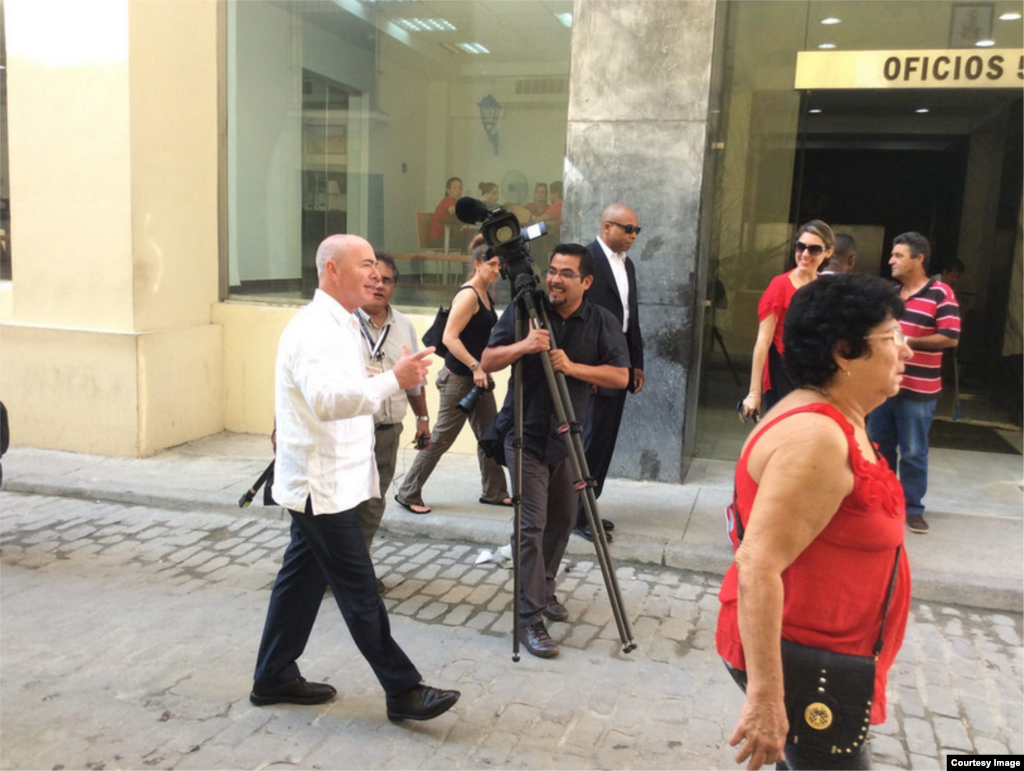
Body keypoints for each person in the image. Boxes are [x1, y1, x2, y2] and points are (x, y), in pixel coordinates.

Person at [250, 234, 460, 723]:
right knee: (360, 591)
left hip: (334, 482)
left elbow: (336, 386)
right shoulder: (312, 329)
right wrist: (392, 380)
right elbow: (325, 400)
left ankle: (273, 675)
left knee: (300, 581)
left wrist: (376, 374)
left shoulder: (342, 324)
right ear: (332, 270)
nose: (374, 274)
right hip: (321, 489)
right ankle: (402, 690)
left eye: (375, 266)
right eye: (364, 265)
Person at [717, 273, 913, 770]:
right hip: (809, 666)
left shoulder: (838, 416)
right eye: (892, 337)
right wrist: (765, 700)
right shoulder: (818, 438)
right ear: (844, 352)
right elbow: (757, 565)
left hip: (829, 654)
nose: (906, 349)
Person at [481, 243, 630, 658]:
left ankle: (543, 590)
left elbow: (620, 376)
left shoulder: (601, 320)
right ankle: (529, 618)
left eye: (566, 273)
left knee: (563, 520)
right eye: (552, 271)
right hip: (523, 435)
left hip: (568, 438)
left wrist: (572, 367)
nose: (555, 280)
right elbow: (488, 360)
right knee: (533, 524)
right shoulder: (525, 310)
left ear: (585, 281)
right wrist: (524, 346)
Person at [395, 235, 511, 514]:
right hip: (460, 380)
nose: (496, 270)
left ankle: (495, 492)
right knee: (440, 439)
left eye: (499, 265)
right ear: (477, 264)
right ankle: (407, 492)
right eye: (491, 264)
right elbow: (450, 338)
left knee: (489, 436)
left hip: (477, 381)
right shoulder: (469, 294)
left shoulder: (485, 292)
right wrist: (476, 366)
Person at [868, 232, 960, 535]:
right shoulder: (891, 294)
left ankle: (912, 508)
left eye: (898, 256)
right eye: (892, 255)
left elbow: (950, 337)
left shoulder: (941, 293)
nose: (891, 260)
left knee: (912, 452)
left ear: (919, 258)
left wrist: (906, 341)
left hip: (919, 391)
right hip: (883, 387)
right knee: (878, 448)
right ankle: (882, 503)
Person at [576, 203, 645, 541]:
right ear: (606, 227)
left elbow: (631, 316)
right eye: (627, 229)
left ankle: (590, 506)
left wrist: (637, 363)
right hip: (595, 370)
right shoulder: (585, 260)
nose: (633, 236)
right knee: (588, 443)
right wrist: (587, 373)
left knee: (604, 442)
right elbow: (577, 320)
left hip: (620, 367)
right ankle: (575, 514)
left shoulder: (627, 264)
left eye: (636, 230)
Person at [354, 252, 432, 550]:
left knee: (373, 504)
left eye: (387, 280)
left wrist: (422, 419)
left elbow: (415, 380)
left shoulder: (403, 325)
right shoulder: (344, 323)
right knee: (344, 505)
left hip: (387, 432)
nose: (379, 286)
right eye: (373, 279)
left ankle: (357, 570)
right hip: (351, 429)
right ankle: (339, 573)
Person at [741, 220, 834, 421]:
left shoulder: (825, 288)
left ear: (828, 252)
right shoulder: (780, 286)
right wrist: (754, 393)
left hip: (814, 377)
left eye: (814, 249)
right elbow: (763, 341)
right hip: (783, 373)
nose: (805, 254)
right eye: (801, 246)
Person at [428, 176, 466, 249]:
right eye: (455, 188)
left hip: (446, 237)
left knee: (468, 240)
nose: (458, 191)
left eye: (460, 188)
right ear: (448, 191)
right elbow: (452, 209)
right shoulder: (448, 200)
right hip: (439, 239)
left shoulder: (456, 202)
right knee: (469, 243)